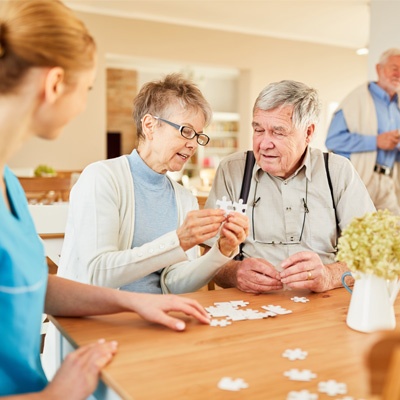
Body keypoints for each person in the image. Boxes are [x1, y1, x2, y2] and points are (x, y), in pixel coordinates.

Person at [0, 1, 211, 397]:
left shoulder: (7, 183)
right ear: (56, 83)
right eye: (89, 88)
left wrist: (137, 303)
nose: (85, 104)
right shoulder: (103, 178)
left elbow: (35, 285)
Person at [55, 73, 248, 294]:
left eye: (199, 136)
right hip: (99, 320)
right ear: (149, 125)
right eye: (186, 131)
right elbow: (98, 273)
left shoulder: (184, 199)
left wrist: (220, 252)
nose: (193, 144)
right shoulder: (102, 178)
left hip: (159, 318)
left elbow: (173, 284)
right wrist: (178, 240)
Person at [203, 80, 375, 294]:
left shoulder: (338, 171)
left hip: (323, 302)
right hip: (252, 304)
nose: (264, 144)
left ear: (308, 133)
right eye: (258, 130)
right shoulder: (231, 170)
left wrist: (329, 276)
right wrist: (234, 273)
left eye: (278, 132)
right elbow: (209, 257)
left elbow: (373, 252)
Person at [325, 48, 400, 214]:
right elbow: (333, 140)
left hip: (389, 183)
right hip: (361, 178)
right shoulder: (356, 100)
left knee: (392, 234)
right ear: (379, 69)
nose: (398, 74)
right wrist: (376, 142)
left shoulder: (398, 106)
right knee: (356, 231)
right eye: (395, 68)